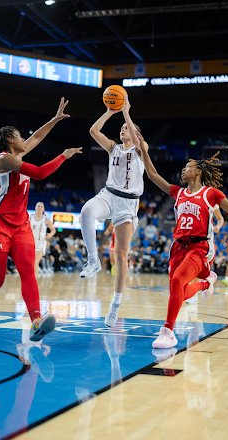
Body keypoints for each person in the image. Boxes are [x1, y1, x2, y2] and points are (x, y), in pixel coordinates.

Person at [0, 97, 82, 341]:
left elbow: (37, 138)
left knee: (28, 271)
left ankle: (36, 321)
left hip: (21, 226)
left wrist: (55, 118)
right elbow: (40, 173)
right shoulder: (3, 159)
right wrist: (63, 156)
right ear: (10, 141)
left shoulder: (16, 156)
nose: (25, 140)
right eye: (20, 137)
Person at [136, 134, 228, 349]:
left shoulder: (210, 193)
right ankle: (206, 282)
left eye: (188, 166)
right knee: (177, 291)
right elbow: (152, 174)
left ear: (198, 171)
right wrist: (145, 152)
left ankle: (168, 332)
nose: (183, 169)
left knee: (178, 281)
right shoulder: (177, 192)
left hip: (199, 247)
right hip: (178, 246)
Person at [79, 95, 147, 327]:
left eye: (126, 128)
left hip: (128, 204)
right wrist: (111, 110)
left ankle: (115, 304)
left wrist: (127, 112)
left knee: (120, 255)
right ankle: (92, 260)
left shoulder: (141, 149)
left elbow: (139, 143)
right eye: (120, 128)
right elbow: (93, 131)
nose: (122, 130)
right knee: (86, 212)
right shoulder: (113, 147)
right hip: (109, 194)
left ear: (136, 134)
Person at [184, 206, 224, 304]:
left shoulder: (210, 201)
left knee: (195, 271)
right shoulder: (188, 200)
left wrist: (217, 227)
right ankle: (205, 281)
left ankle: (194, 294)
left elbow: (220, 219)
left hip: (205, 242)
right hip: (190, 239)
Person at [30, 202, 56, 277]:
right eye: (38, 206)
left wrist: (50, 235)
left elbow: (53, 230)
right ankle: (29, 278)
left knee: (35, 262)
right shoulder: (30, 218)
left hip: (41, 243)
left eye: (41, 206)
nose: (39, 207)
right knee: (30, 262)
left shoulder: (46, 220)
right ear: (35, 208)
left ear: (43, 209)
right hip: (31, 242)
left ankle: (33, 280)